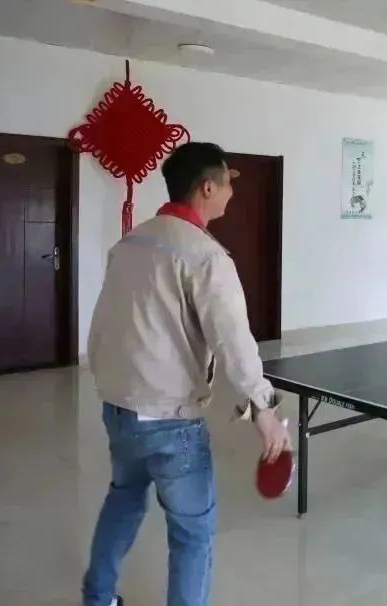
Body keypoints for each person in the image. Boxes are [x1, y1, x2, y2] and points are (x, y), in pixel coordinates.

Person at [82, 142, 291, 606]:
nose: (232, 191)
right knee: (192, 535)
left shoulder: (130, 243)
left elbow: (102, 326)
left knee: (123, 498)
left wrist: (111, 386)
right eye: (228, 182)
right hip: (171, 422)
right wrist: (263, 408)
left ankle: (97, 598)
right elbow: (234, 341)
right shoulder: (206, 256)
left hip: (119, 409)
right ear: (207, 188)